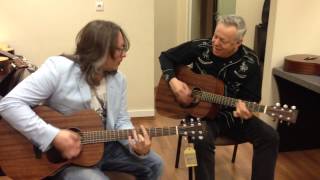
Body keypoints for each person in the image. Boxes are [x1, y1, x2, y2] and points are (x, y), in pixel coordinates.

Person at [0, 20, 163, 180]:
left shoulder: (119, 80)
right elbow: (9, 104)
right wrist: (53, 136)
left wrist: (136, 147)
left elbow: (121, 120)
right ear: (101, 50)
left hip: (105, 146)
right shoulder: (58, 68)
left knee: (155, 164)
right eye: (120, 49)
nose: (124, 55)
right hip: (64, 157)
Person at [159, 15, 279, 180]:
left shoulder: (250, 62)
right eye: (215, 36)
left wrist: (247, 110)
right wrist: (173, 82)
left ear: (238, 42)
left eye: (223, 40)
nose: (215, 42)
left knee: (270, 136)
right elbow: (165, 57)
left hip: (233, 118)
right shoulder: (200, 46)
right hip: (200, 114)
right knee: (201, 138)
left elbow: (252, 99)